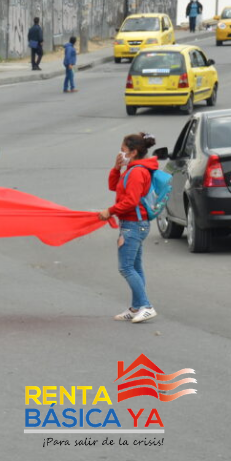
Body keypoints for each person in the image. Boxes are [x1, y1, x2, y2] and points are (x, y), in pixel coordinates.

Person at [97, 132, 159, 324]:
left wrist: (110, 210)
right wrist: (117, 167)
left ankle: (146, 306)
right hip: (134, 223)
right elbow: (113, 186)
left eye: (123, 150)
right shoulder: (132, 169)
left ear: (133, 152)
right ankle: (135, 307)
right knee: (135, 267)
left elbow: (130, 201)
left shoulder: (137, 171)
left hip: (133, 224)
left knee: (125, 267)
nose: (120, 153)